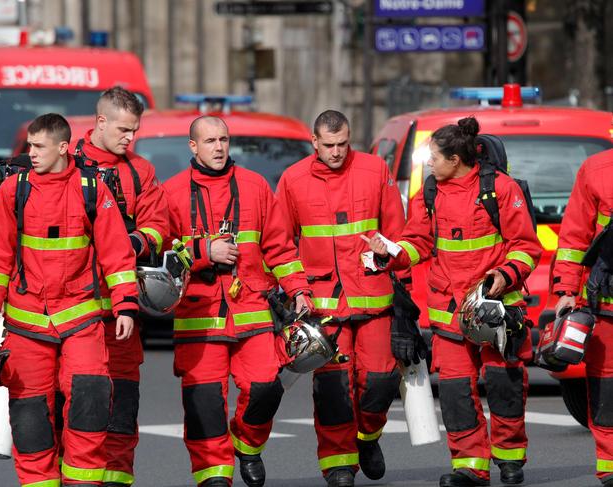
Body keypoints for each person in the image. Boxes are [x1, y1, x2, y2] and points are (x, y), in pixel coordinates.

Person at [364, 117, 542, 487]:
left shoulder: (501, 190)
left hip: (496, 310)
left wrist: (504, 276)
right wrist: (389, 253)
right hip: (449, 312)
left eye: (434, 157)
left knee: (504, 383)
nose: (429, 163)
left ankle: (509, 459)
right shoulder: (429, 194)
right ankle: (470, 467)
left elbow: (526, 247)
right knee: (457, 393)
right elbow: (417, 243)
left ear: (456, 159)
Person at [0, 113, 138, 486]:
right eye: (29, 145)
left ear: (63, 147)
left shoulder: (92, 189)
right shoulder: (15, 189)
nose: (30, 153)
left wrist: (125, 305)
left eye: (38, 146)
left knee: (90, 405)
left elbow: (116, 255)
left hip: (81, 319)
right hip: (26, 322)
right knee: (29, 420)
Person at [163, 115, 313, 487]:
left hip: (252, 310)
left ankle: (247, 444)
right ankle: (214, 475)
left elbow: (280, 247)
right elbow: (162, 255)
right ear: (193, 147)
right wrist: (202, 251)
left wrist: (298, 289)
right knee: (204, 406)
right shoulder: (172, 192)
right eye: (210, 140)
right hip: (198, 314)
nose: (218, 147)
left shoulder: (255, 186)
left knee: (265, 387)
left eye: (224, 140)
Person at [275, 110, 408, 487]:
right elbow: (280, 244)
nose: (336, 152)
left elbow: (397, 232)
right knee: (333, 390)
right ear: (315, 142)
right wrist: (295, 291)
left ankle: (368, 438)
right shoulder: (293, 180)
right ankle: (338, 466)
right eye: (329, 145)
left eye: (343, 144)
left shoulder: (374, 171)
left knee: (380, 381)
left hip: (374, 297)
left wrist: (391, 254)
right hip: (323, 307)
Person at [69, 86, 169, 487]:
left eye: (135, 130)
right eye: (124, 130)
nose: (130, 138)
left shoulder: (140, 171)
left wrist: (133, 241)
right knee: (76, 407)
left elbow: (160, 227)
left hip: (121, 307)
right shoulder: (66, 165)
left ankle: (116, 480)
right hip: (72, 309)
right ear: (101, 122)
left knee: (123, 404)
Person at [552, 148, 613, 486]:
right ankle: (610, 464)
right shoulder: (597, 170)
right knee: (606, 386)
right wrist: (565, 290)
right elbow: (574, 237)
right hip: (606, 304)